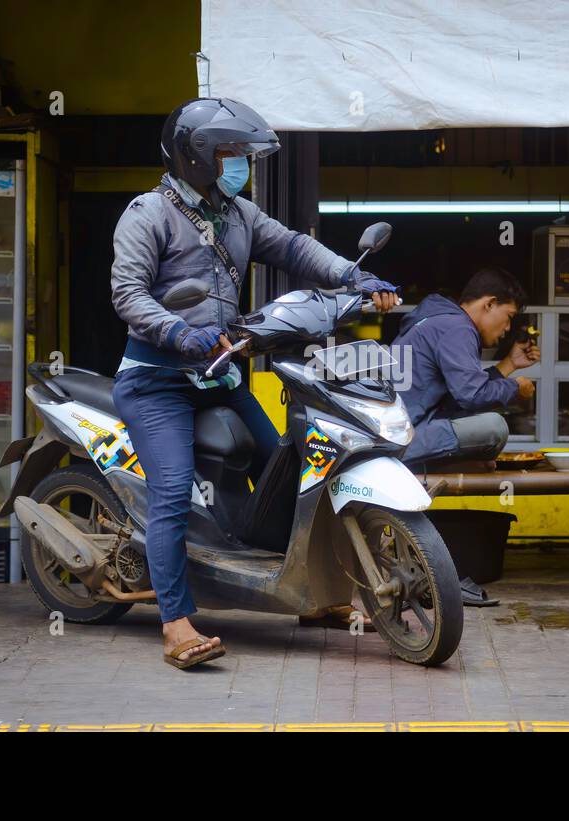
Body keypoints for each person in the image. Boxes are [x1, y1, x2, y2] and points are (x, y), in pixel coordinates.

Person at [110, 98, 399, 669]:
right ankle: (175, 623)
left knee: (291, 469)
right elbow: (128, 294)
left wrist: (354, 277)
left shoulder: (237, 213)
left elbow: (293, 247)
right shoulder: (147, 214)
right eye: (230, 153)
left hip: (220, 375)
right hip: (156, 381)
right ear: (197, 156)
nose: (240, 162)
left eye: (243, 153)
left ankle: (306, 592)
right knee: (170, 494)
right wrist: (178, 332)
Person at [390, 267, 539, 606]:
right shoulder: (457, 328)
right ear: (490, 303)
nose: (506, 329)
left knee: (482, 430)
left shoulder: (438, 320)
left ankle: (467, 458)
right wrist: (514, 389)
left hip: (403, 430)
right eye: (508, 317)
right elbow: (471, 397)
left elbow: (458, 396)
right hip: (402, 438)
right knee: (493, 429)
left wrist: (508, 366)